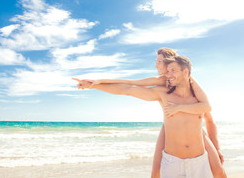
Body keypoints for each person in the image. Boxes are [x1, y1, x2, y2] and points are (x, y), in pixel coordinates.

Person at [77, 48, 226, 178]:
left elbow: (208, 115)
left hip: (196, 137)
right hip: (172, 132)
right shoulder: (162, 85)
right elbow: (129, 86)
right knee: (156, 171)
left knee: (219, 171)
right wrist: (97, 83)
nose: (156, 65)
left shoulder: (193, 86)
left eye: (159, 62)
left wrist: (216, 147)